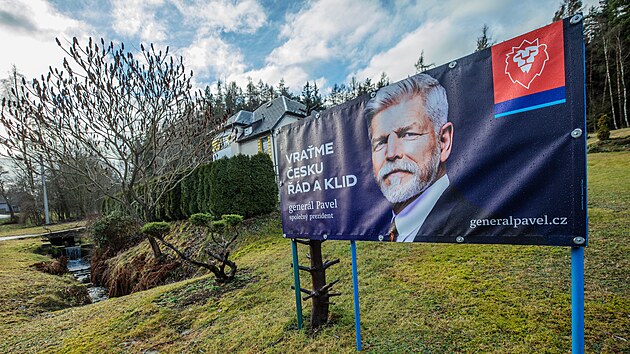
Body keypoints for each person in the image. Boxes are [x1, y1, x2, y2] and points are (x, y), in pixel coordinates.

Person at [365, 73, 477, 242]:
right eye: (380, 142)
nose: (391, 154)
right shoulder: (389, 225)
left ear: (443, 141)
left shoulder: (472, 226)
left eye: (408, 134)